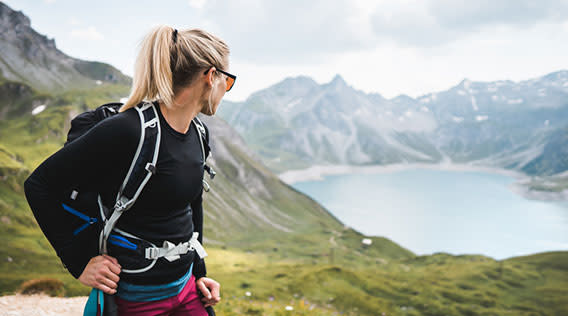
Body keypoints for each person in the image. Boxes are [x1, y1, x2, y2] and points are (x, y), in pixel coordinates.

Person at [24, 25, 236, 315]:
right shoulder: (128, 131)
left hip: (185, 289)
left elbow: (191, 204)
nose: (227, 89)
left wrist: (199, 273)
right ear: (211, 77)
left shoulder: (198, 133)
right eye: (229, 81)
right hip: (135, 299)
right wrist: (78, 263)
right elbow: (39, 184)